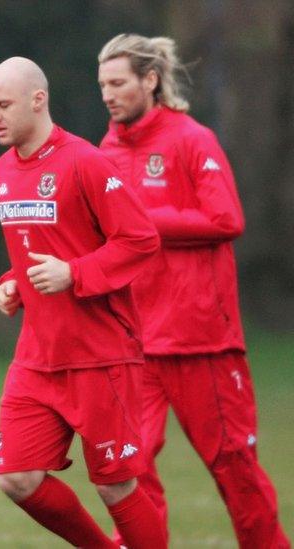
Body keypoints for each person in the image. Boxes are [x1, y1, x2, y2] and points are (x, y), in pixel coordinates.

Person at [97, 33, 290, 549]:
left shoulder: (191, 139)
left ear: (151, 80)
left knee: (235, 469)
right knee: (127, 467)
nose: (108, 95)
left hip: (200, 338)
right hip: (136, 340)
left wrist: (143, 220)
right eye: (102, 85)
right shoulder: (107, 150)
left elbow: (227, 218)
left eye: (118, 83)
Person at [0, 57, 166, 548]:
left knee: (114, 484)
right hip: (38, 356)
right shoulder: (4, 167)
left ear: (37, 100)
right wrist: (15, 284)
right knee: (16, 478)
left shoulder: (86, 161)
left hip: (101, 354)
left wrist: (75, 274)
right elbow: (42, 246)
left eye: (3, 104)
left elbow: (139, 239)